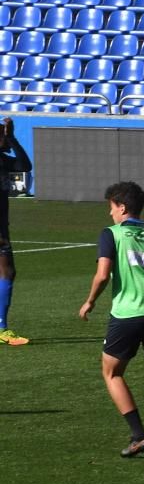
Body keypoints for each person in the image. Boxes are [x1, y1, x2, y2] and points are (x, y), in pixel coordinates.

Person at [78, 182, 144, 459]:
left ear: (122, 207)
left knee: (112, 373)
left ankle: (139, 435)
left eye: (111, 208)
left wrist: (90, 301)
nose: (110, 214)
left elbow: (103, 275)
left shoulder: (112, 234)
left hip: (126, 315)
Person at [0, 117, 32, 346]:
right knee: (7, 272)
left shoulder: (2, 160)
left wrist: (11, 137)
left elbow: (24, 166)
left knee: (7, 272)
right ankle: (1, 328)